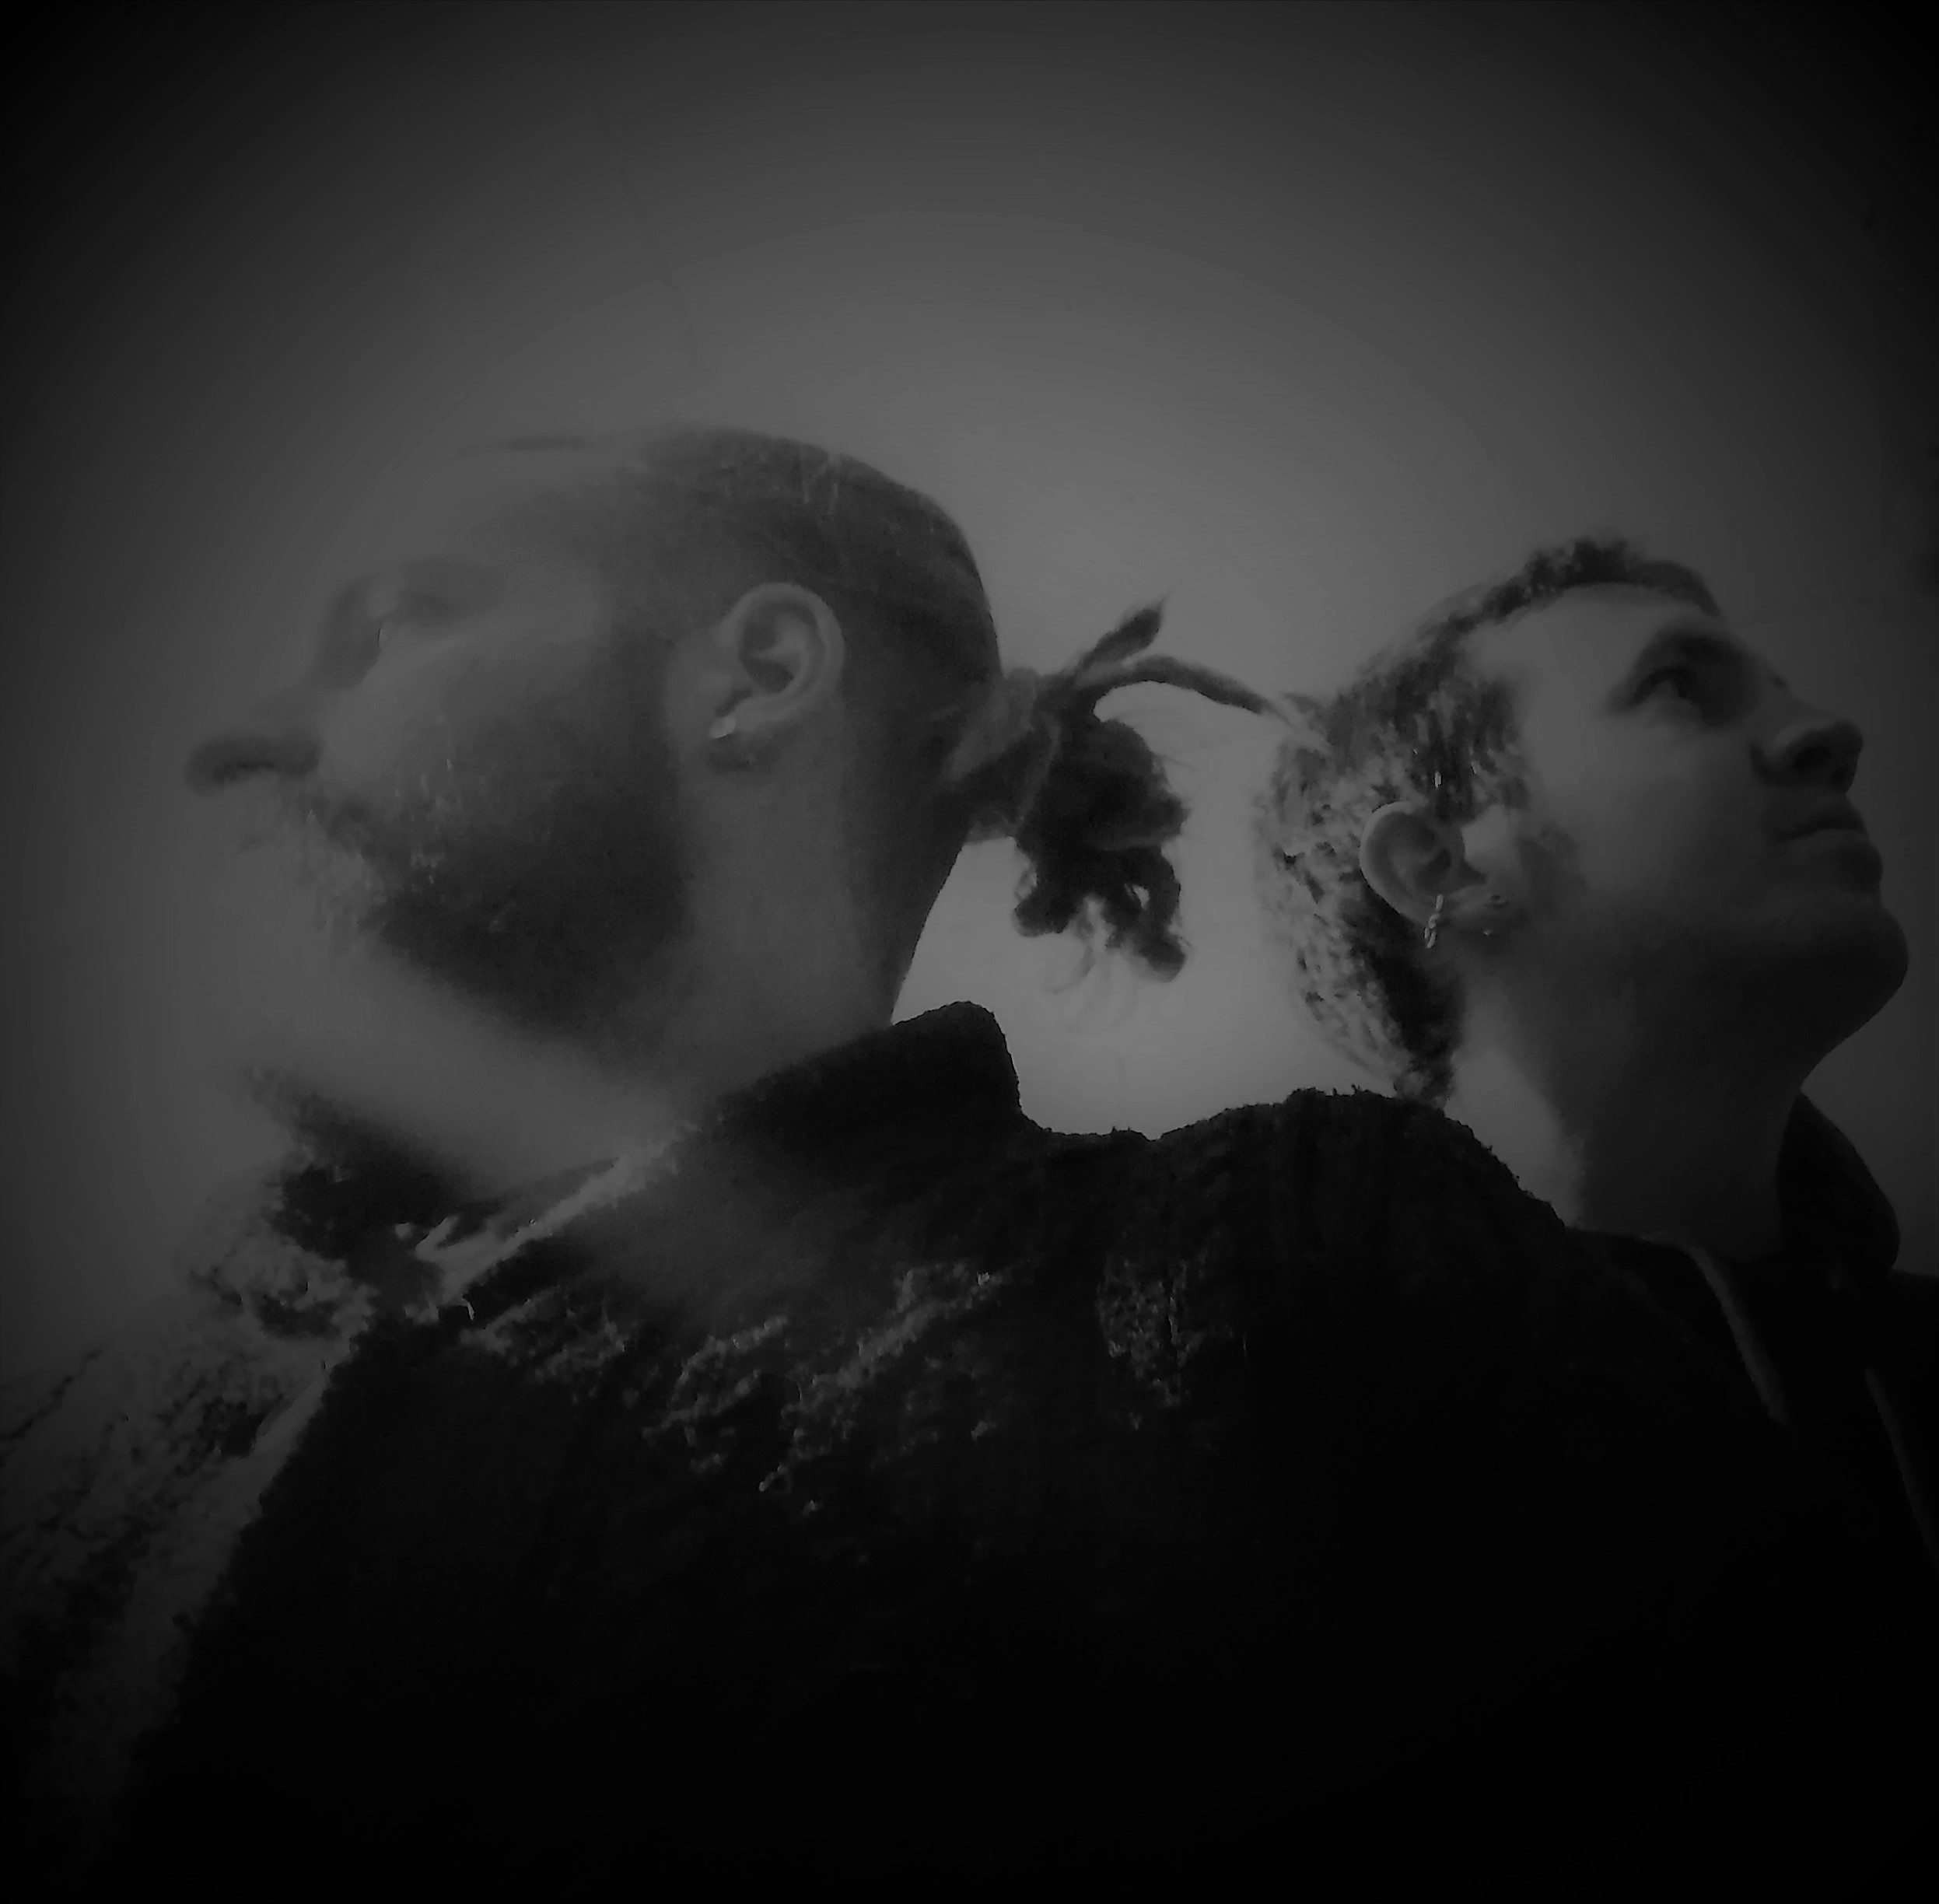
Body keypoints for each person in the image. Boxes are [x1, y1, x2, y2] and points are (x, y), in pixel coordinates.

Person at [1, 423, 1286, 1892]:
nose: (231, 739)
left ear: (756, 675)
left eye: (397, 619)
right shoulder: (38, 1443)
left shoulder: (1268, 1291)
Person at [1252, 534, 1938, 1877]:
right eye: (1682, 688)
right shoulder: (1262, 1454)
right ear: (1439, 869)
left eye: (1782, 692)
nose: (1830, 735)